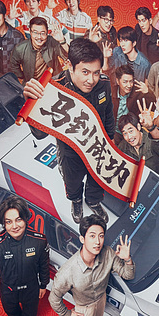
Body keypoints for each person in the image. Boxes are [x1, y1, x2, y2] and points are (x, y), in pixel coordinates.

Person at [22, 38, 116, 224]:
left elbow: (108, 115)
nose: (91, 80)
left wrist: (110, 141)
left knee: (97, 181)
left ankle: (93, 201)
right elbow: (40, 135)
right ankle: (77, 201)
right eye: (85, 72)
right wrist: (31, 106)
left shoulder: (104, 84)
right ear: (69, 66)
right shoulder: (53, 90)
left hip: (98, 148)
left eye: (96, 73)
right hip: (70, 152)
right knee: (72, 184)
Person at [49, 215, 135, 316]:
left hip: (101, 298)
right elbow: (53, 299)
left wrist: (127, 259)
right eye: (92, 236)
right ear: (82, 239)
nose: (97, 242)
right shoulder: (68, 272)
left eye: (101, 236)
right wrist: (68, 314)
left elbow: (127, 275)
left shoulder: (108, 253)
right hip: (83, 308)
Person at [117, 101, 159, 180]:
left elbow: (158, 139)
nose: (129, 137)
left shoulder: (150, 139)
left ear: (138, 127)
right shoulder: (122, 146)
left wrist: (151, 127)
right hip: (139, 181)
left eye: (131, 131)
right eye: (125, 133)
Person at [7, 16, 66, 84]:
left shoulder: (52, 42)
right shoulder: (20, 48)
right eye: (35, 32)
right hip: (32, 84)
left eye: (43, 33)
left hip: (54, 82)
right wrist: (23, 76)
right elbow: (13, 65)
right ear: (30, 31)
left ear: (47, 33)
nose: (39, 37)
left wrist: (62, 41)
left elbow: (68, 56)